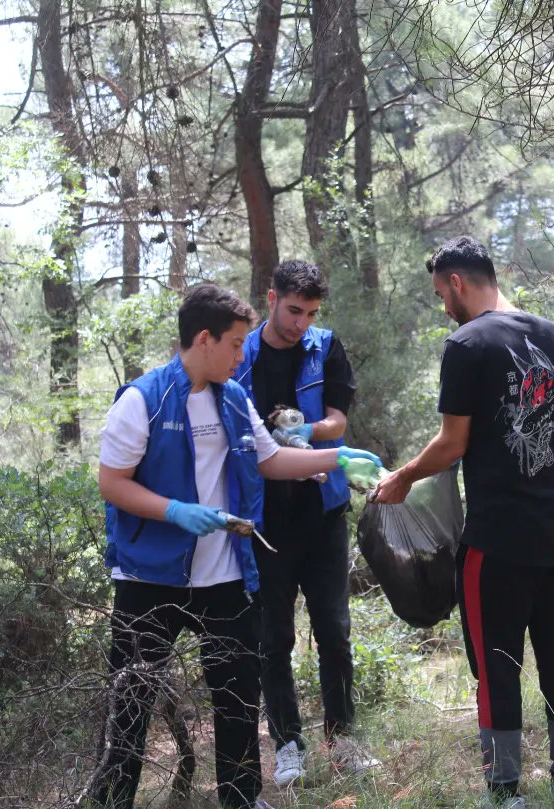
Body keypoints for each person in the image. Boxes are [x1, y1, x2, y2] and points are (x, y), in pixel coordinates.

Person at [96, 283, 380, 809]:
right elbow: (112, 483)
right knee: (130, 706)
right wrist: (174, 510)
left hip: (224, 577)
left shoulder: (231, 397)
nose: (240, 354)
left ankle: (242, 799)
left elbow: (269, 459)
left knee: (236, 698)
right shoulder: (143, 399)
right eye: (233, 344)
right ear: (203, 339)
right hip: (148, 579)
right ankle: (111, 801)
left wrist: (337, 458)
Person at [372, 237, 554, 809]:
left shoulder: (466, 343)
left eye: (440, 293)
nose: (442, 304)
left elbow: (452, 444)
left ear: (456, 283)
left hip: (500, 540)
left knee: (497, 664)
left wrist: (402, 478)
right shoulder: (553, 335)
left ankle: (505, 794)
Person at [232, 260, 379, 786]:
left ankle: (342, 740)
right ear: (271, 298)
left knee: (335, 631)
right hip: (265, 519)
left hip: (323, 516)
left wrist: (305, 431)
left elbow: (339, 421)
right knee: (274, 639)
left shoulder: (325, 346)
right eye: (293, 310)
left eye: (310, 312)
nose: (300, 323)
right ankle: (288, 744)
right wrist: (269, 441)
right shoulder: (241, 353)